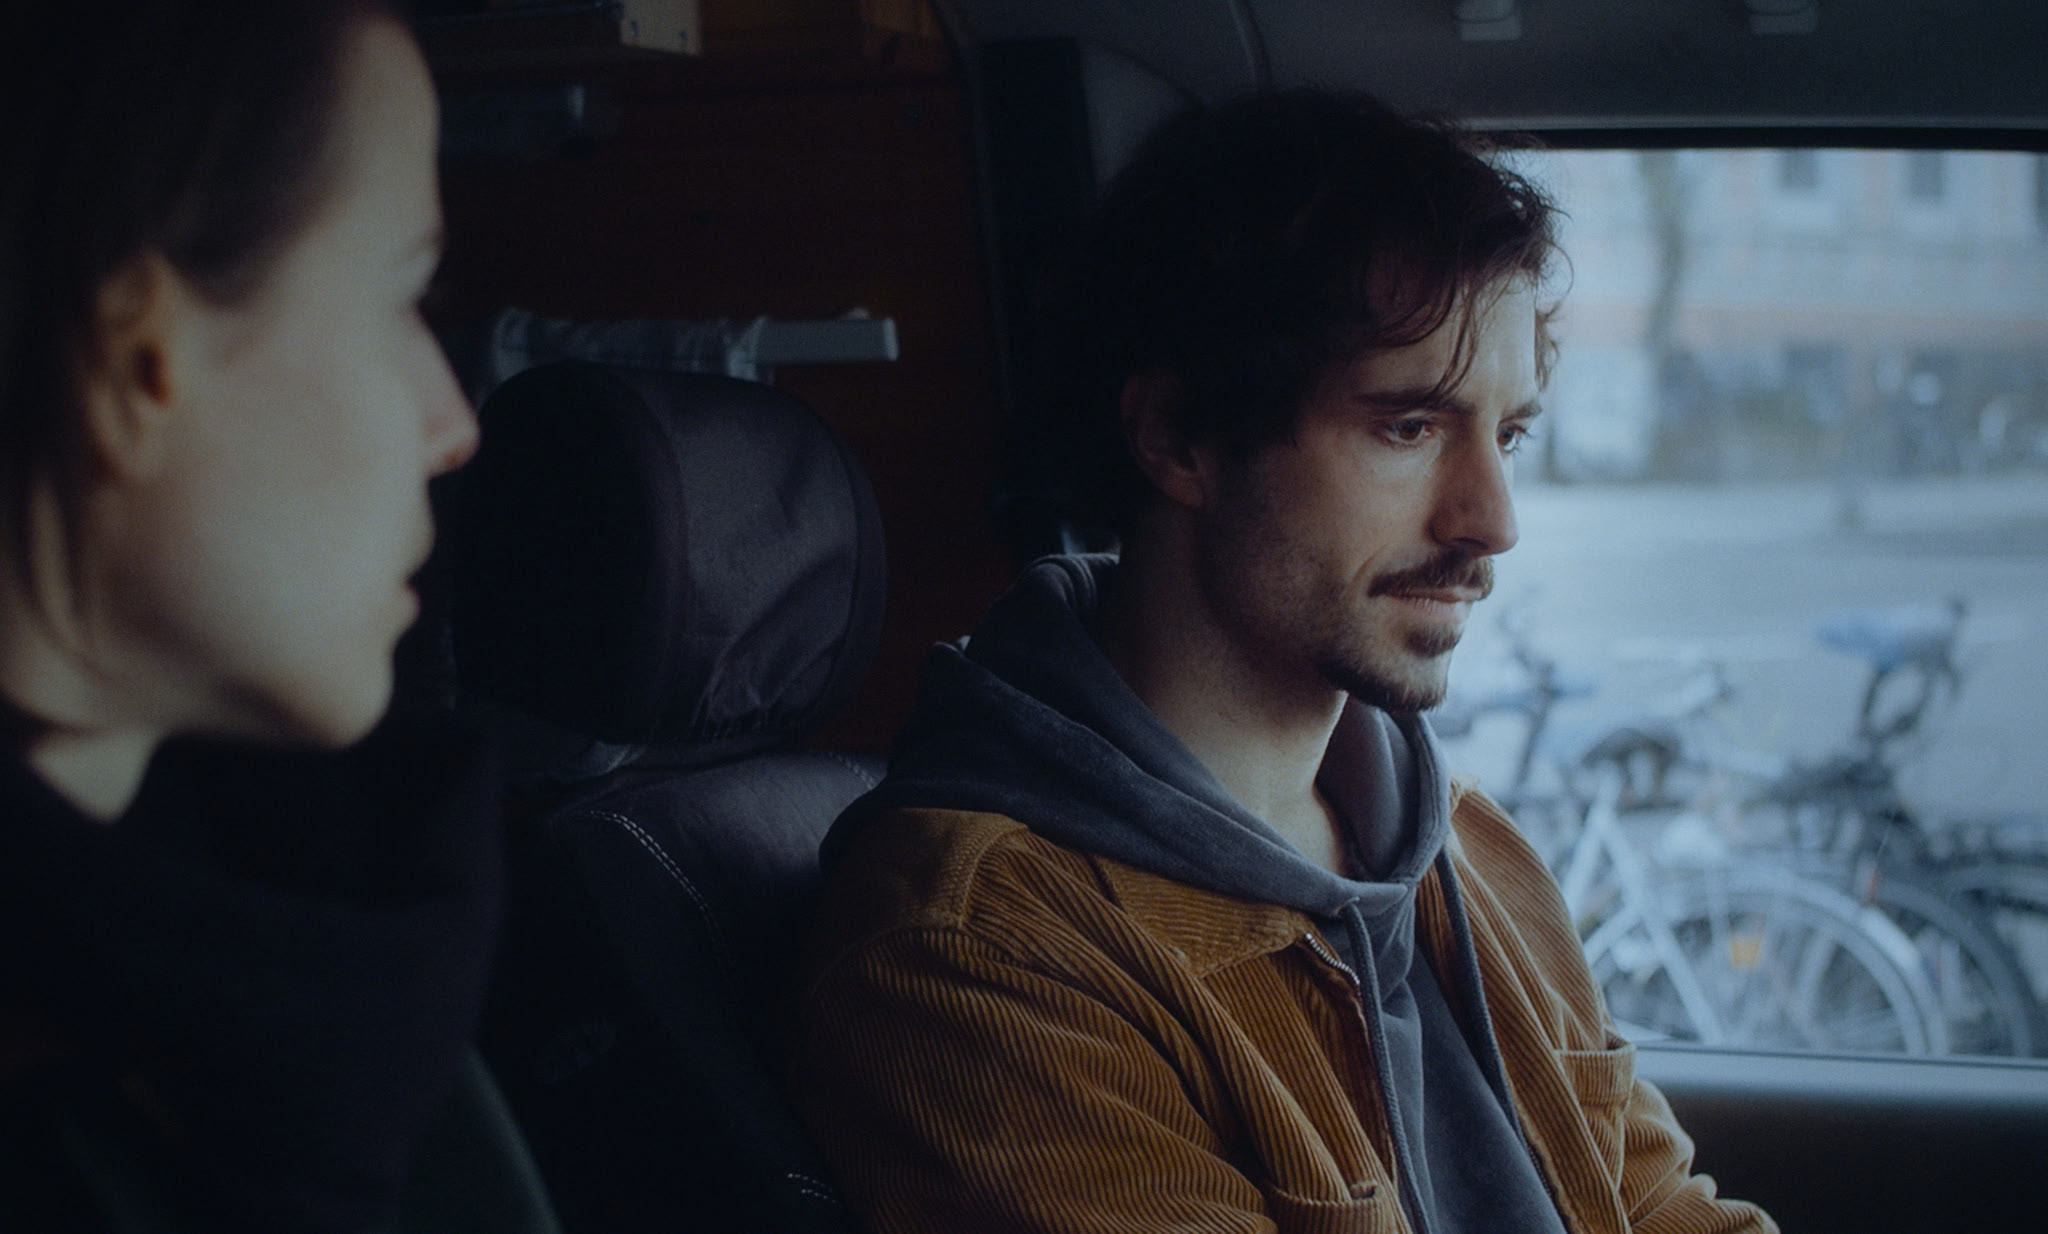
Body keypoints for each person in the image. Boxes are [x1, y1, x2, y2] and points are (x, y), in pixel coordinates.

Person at [789, 92, 1777, 1234]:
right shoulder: (977, 953)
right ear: (1177, 436)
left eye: (1507, 435)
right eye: (1408, 426)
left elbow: (1656, 1205)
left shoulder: (1468, 846)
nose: (1493, 521)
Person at [0, 4, 556, 1230]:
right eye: (403, 293)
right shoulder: (271, 1019)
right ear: (140, 362)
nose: (454, 425)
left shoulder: (315, 968)